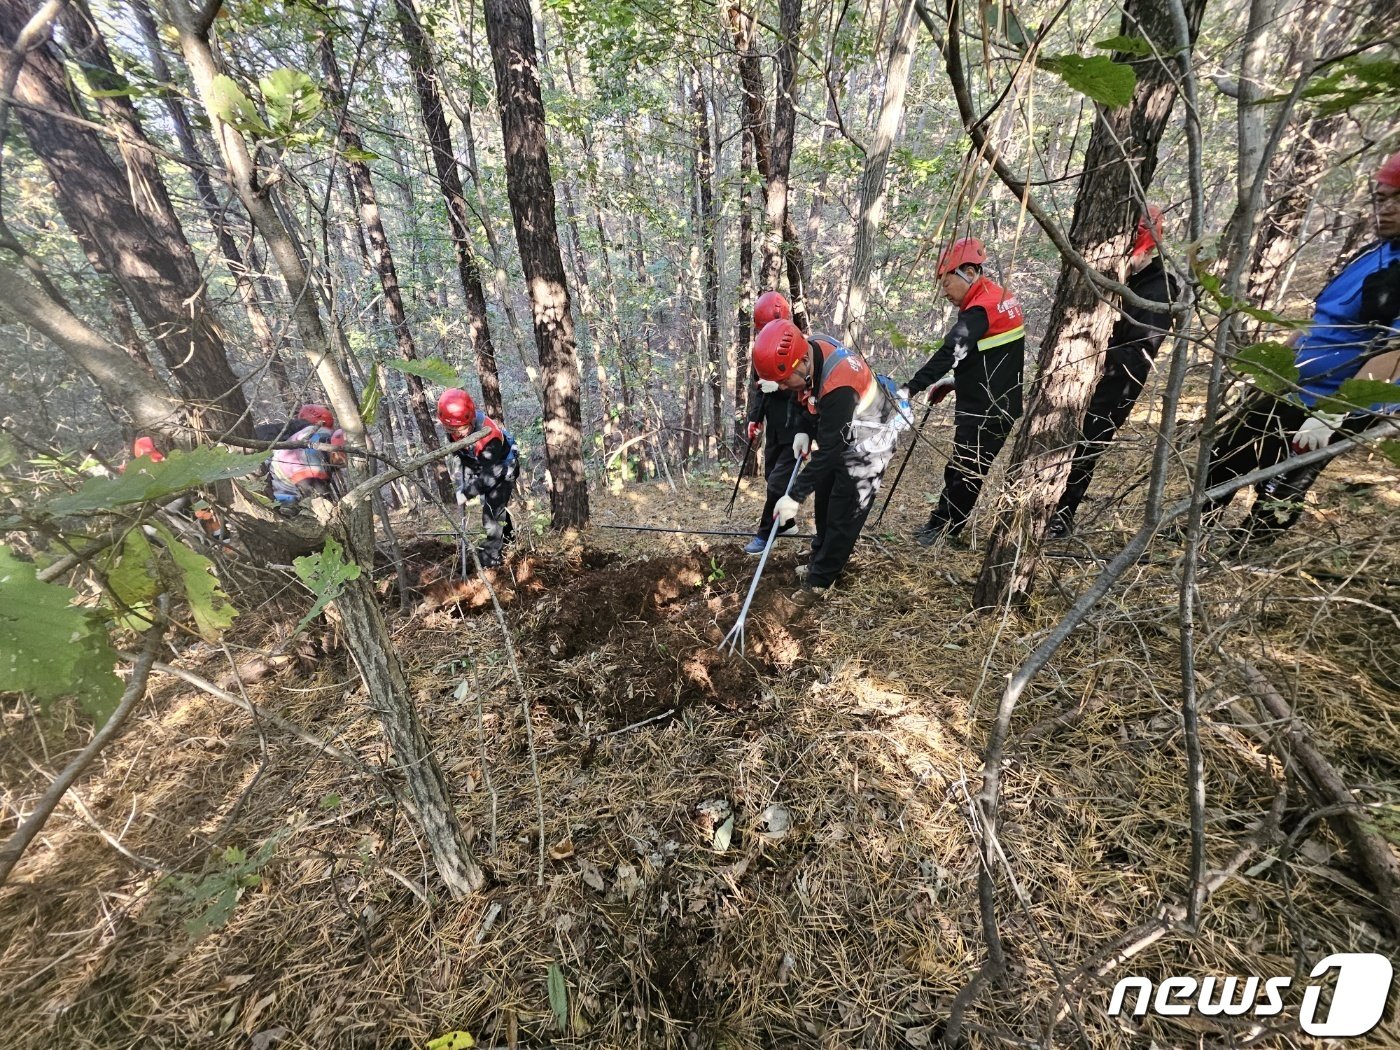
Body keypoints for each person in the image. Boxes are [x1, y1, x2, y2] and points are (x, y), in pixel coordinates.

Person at [1201, 151, 1400, 549]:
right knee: (1231, 450)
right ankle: (1192, 529)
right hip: (1293, 383)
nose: (1386, 209)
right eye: (1381, 198)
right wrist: (1272, 369)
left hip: (1340, 397)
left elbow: (1394, 348)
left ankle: (1248, 551)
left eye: (1397, 199)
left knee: (1289, 476)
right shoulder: (1372, 252)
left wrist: (1336, 411)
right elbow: (1319, 318)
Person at [1049, 206, 1181, 538]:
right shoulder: (1120, 278)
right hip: (1080, 382)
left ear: (1149, 248)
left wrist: (1090, 358)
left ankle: (1061, 516)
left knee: (1084, 449)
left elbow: (1141, 353)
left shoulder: (1158, 290)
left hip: (1114, 389)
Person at [757, 320, 907, 605]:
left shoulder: (840, 386)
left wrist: (793, 496)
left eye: (786, 379)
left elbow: (830, 452)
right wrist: (802, 427)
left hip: (869, 442)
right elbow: (799, 395)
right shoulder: (810, 351)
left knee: (843, 511)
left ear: (801, 362)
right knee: (824, 499)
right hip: (842, 431)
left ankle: (821, 580)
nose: (784, 387)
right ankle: (819, 559)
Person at [900, 237, 1026, 545]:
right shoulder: (996, 297)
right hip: (992, 399)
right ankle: (940, 525)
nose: (945, 292)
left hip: (988, 409)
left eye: (946, 283)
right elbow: (994, 358)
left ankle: (945, 532)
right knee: (961, 466)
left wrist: (911, 388)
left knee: (965, 471)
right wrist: (955, 382)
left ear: (968, 272)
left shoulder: (980, 309)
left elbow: (950, 351)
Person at [741, 290, 805, 554]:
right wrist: (755, 419)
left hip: (798, 428)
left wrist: (777, 387)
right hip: (776, 427)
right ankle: (787, 523)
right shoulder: (762, 347)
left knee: (779, 482)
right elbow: (758, 387)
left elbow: (803, 385)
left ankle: (766, 533)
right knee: (772, 478)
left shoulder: (797, 344)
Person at [437, 387, 518, 568]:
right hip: (483, 466)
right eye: (451, 429)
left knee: (491, 513)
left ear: (471, 419)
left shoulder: (490, 438)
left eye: (461, 430)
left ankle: (491, 561)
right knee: (493, 508)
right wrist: (463, 479)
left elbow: (490, 476)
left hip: (503, 469)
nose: (457, 434)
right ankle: (510, 540)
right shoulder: (455, 431)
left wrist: (466, 492)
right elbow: (464, 456)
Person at [269, 410, 345, 513]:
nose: (341, 466)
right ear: (334, 453)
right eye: (341, 462)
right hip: (282, 476)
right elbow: (320, 496)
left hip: (285, 457)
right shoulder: (313, 470)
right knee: (294, 511)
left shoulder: (326, 432)